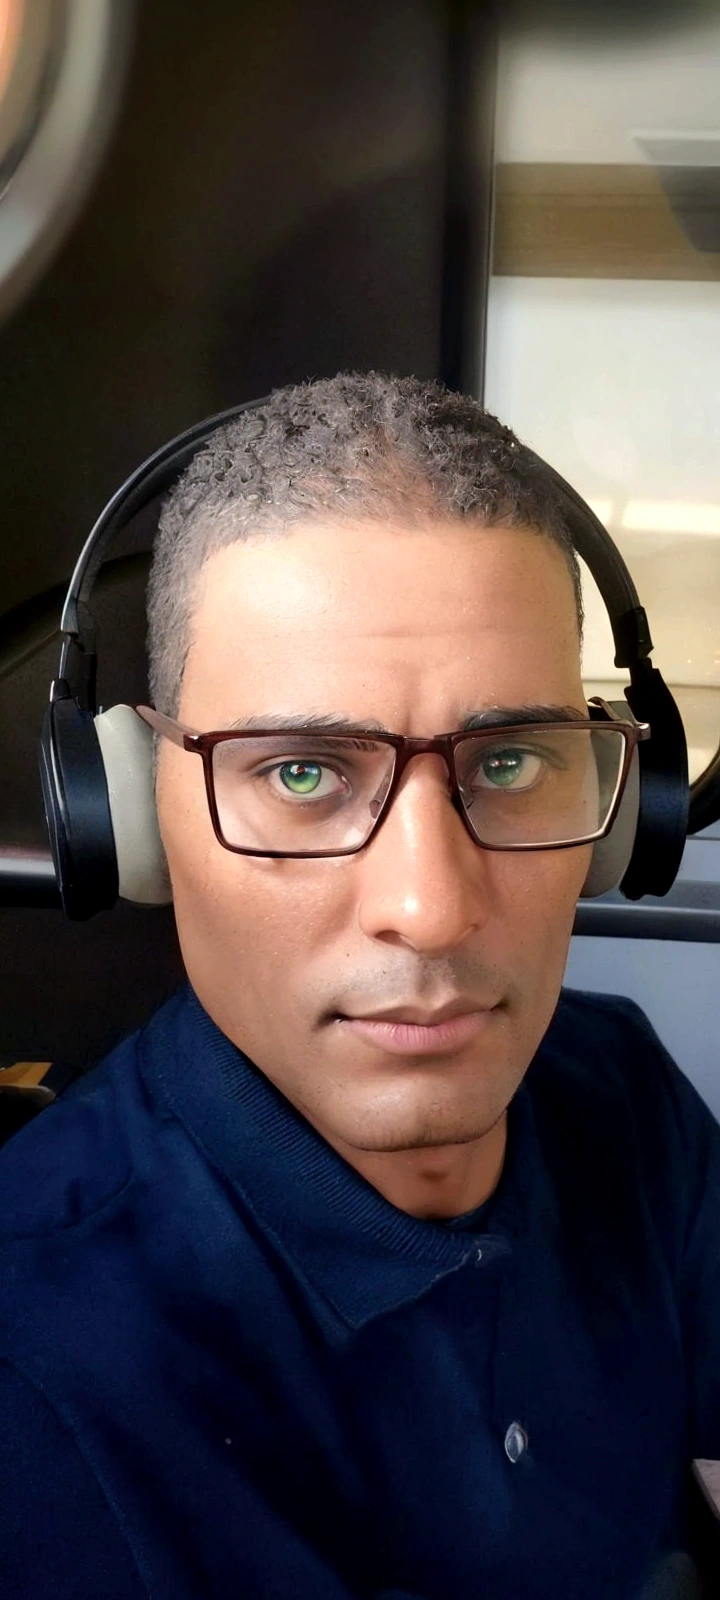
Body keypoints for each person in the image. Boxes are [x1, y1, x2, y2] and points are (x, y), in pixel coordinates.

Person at [0, 372, 717, 1600]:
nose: (430, 908)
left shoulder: (622, 1086)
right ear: (137, 819)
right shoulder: (36, 1375)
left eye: (509, 759)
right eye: (301, 772)